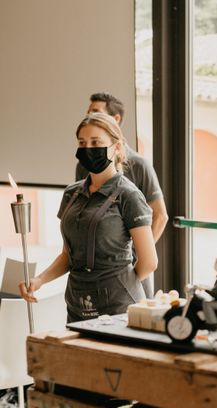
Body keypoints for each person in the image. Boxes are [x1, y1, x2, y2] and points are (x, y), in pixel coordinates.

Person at [20, 113, 158, 322]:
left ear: (117, 147)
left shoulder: (129, 195)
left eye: (96, 142)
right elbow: (68, 256)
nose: (88, 149)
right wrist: (39, 280)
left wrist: (118, 284)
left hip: (117, 308)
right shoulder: (71, 194)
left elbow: (149, 262)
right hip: (77, 303)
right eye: (82, 143)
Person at [78, 92, 168, 297]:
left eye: (96, 112)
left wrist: (139, 252)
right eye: (88, 112)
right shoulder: (82, 166)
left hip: (130, 266)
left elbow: (160, 215)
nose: (89, 116)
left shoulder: (139, 165)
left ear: (116, 118)